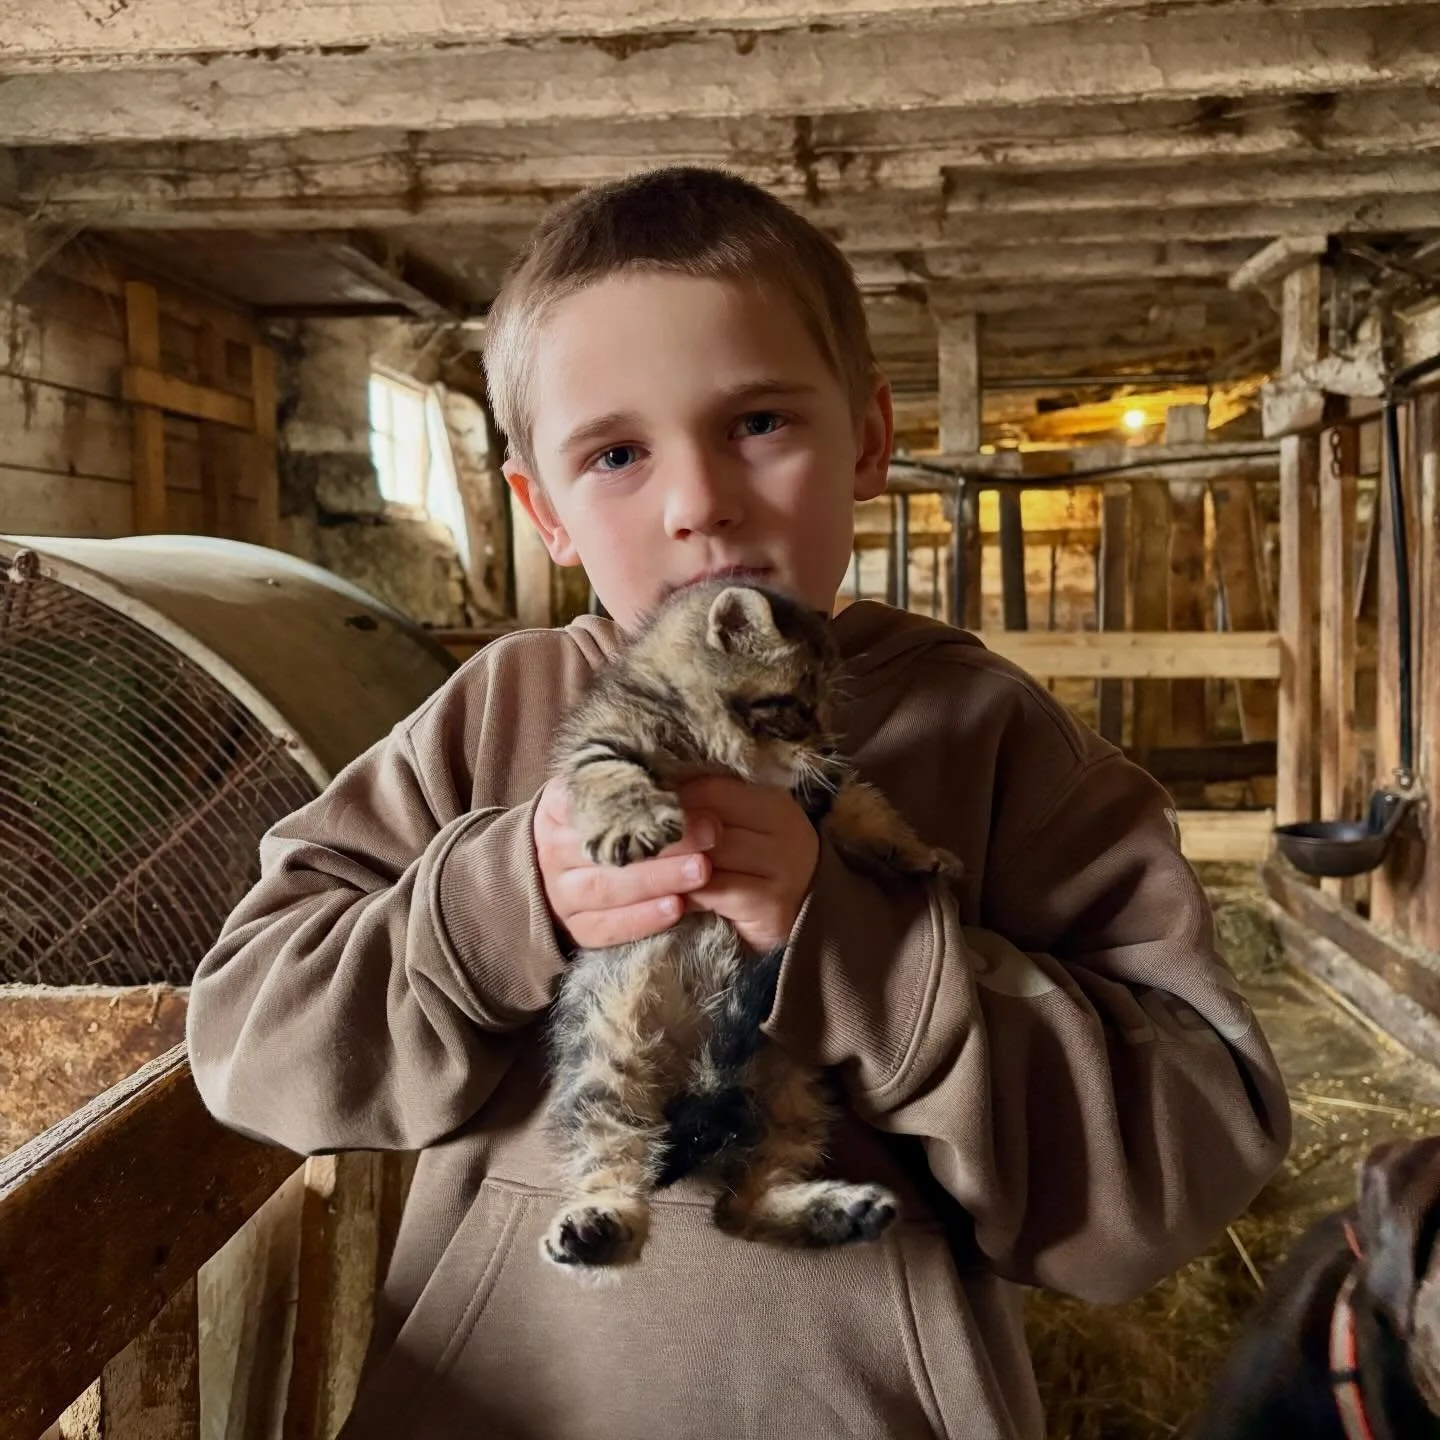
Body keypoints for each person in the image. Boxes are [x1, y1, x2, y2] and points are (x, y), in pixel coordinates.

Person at [187, 166, 1291, 1439]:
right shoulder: (494, 719)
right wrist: (505, 904)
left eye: (760, 421)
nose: (699, 499)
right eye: (615, 453)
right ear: (541, 508)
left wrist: (860, 953)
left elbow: (1189, 1158)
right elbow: (245, 1042)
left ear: (869, 437)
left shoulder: (991, 741)